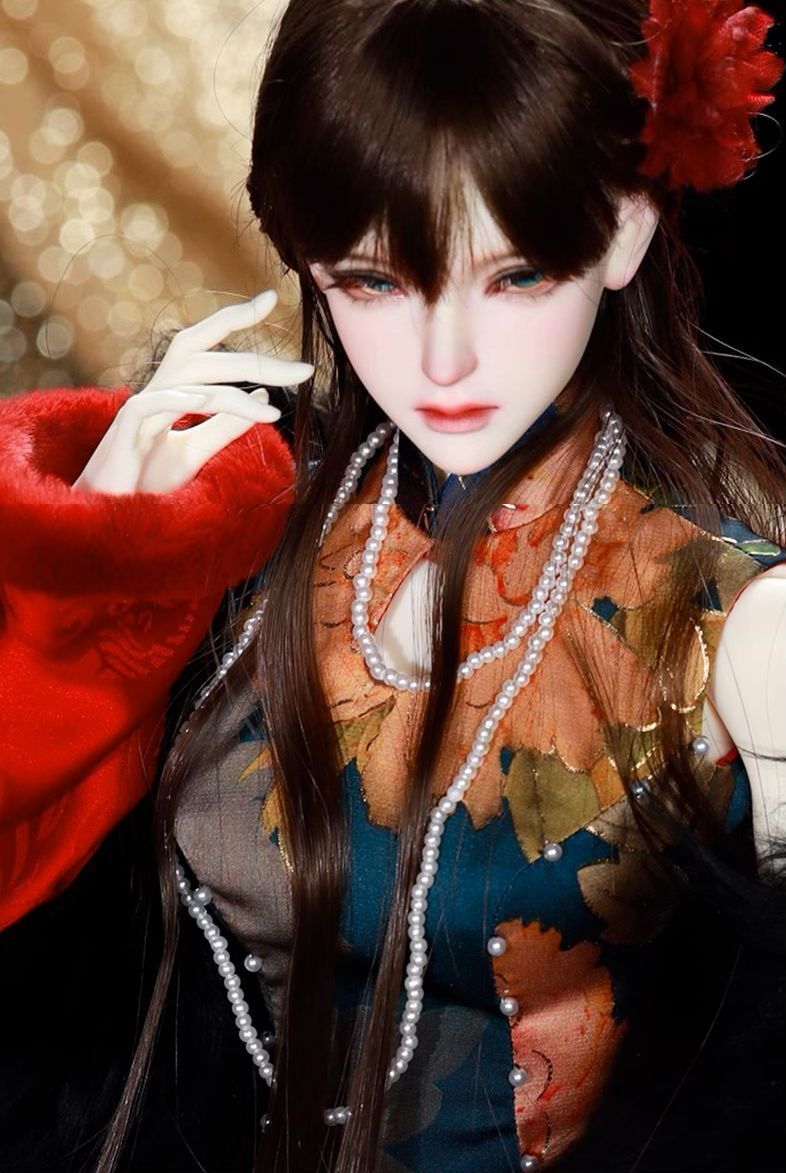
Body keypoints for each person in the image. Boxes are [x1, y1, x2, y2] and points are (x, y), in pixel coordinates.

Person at [1, 1, 785, 1171]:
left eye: (517, 276)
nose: (445, 359)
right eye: (372, 281)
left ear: (626, 227)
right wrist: (96, 564)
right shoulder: (246, 532)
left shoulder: (740, 633)